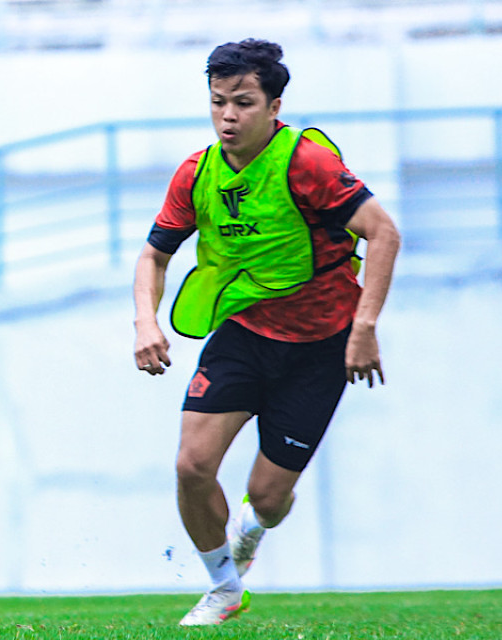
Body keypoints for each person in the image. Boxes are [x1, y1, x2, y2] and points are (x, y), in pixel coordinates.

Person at [131, 39, 400, 626]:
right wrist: (145, 322)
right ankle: (226, 588)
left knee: (270, 499)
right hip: (244, 336)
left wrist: (365, 328)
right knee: (191, 466)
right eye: (218, 102)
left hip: (322, 346)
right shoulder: (196, 174)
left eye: (243, 103)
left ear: (274, 106)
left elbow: (384, 233)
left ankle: (255, 525)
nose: (228, 116)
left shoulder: (307, 163)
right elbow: (154, 256)